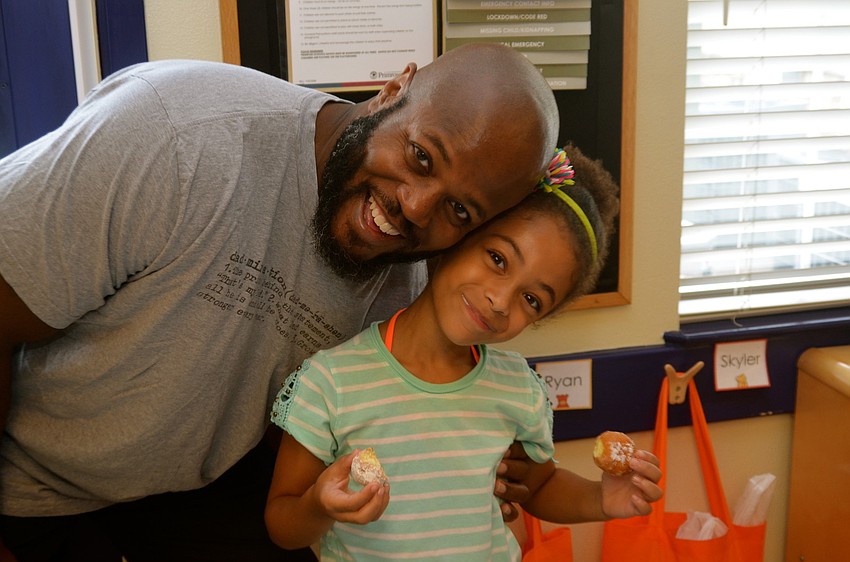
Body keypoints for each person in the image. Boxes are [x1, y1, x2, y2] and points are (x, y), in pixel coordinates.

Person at [0, 43, 560, 561]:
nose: (415, 208)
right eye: (419, 156)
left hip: (204, 489)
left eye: (459, 212)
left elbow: (326, 436)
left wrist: (473, 473)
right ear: (394, 88)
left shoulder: (412, 292)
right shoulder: (176, 135)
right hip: (34, 489)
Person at [265, 146, 664, 561]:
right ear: (459, 235)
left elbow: (541, 487)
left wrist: (602, 499)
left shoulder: (518, 388)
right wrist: (319, 506)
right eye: (497, 258)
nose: (499, 300)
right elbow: (282, 523)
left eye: (531, 299)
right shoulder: (330, 381)